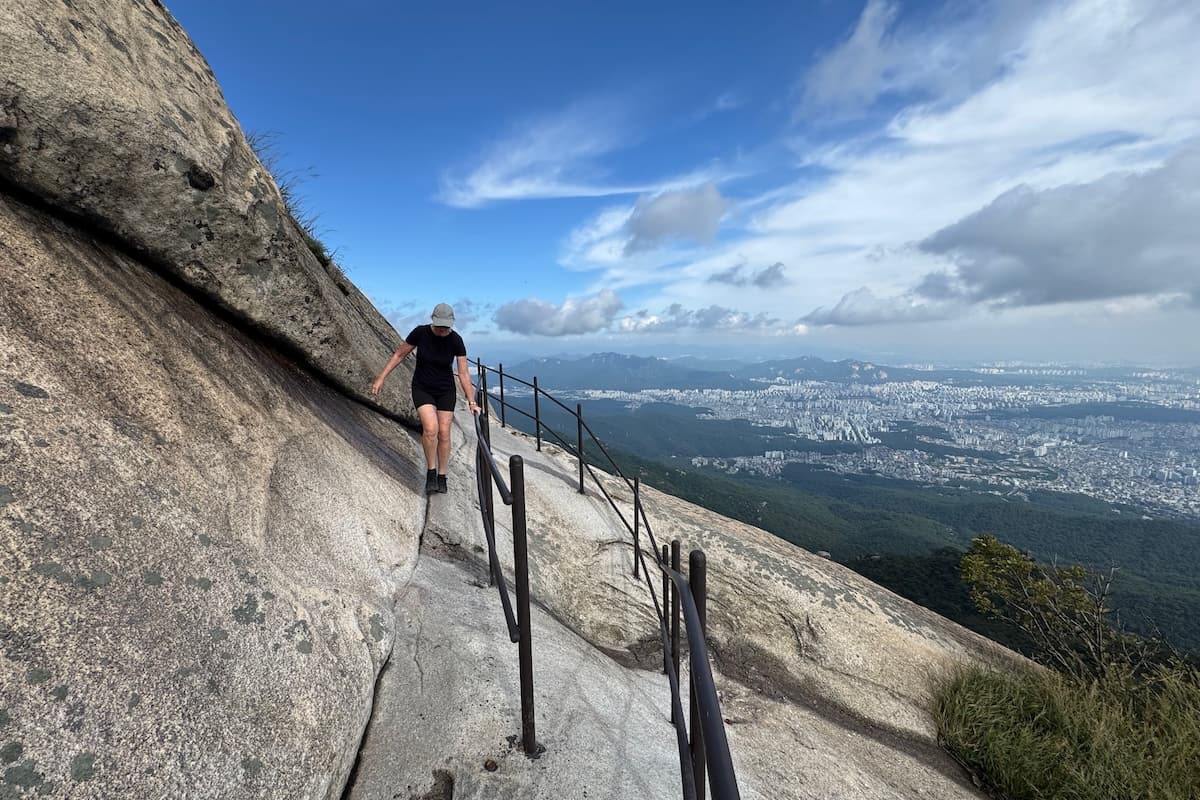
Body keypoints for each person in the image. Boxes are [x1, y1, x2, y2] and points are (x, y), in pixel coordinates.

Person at [371, 303, 480, 495]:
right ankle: (431, 471)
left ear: (451, 324)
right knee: (431, 429)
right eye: (439, 325)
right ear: (433, 319)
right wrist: (381, 378)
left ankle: (442, 475)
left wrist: (471, 401)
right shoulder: (420, 333)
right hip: (422, 388)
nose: (441, 329)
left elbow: (463, 373)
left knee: (444, 433)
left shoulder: (456, 340)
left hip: (446, 390)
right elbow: (399, 354)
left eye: (445, 326)